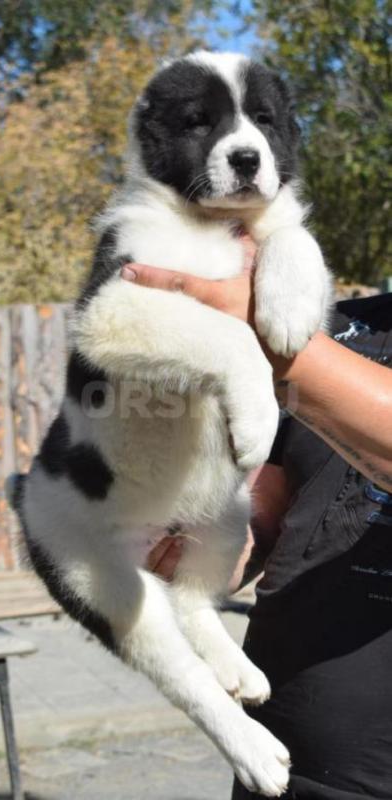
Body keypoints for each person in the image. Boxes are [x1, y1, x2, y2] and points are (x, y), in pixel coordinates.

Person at [121, 242, 392, 800]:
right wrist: (213, 542)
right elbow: (274, 503)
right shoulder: (339, 328)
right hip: (283, 758)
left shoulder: (296, 346)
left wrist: (271, 348)